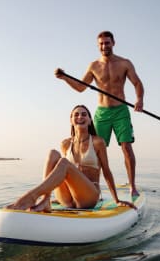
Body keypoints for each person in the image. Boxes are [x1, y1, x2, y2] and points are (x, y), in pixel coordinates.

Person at [55, 31, 144, 197]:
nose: (104, 46)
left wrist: (139, 99)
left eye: (107, 43)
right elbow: (81, 87)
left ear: (113, 43)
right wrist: (65, 78)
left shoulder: (125, 63)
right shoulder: (94, 66)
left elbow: (137, 83)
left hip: (121, 111)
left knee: (126, 147)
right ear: (98, 46)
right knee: (95, 150)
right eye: (101, 44)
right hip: (102, 113)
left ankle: (132, 186)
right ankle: (95, 187)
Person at [7, 105, 135, 212]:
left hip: (88, 196)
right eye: (76, 114)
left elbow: (106, 171)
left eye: (84, 114)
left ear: (90, 120)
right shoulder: (65, 143)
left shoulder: (97, 142)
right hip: (67, 198)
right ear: (71, 120)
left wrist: (116, 200)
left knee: (64, 162)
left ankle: (30, 196)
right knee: (53, 154)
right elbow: (60, 174)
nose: (80, 117)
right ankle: (45, 200)